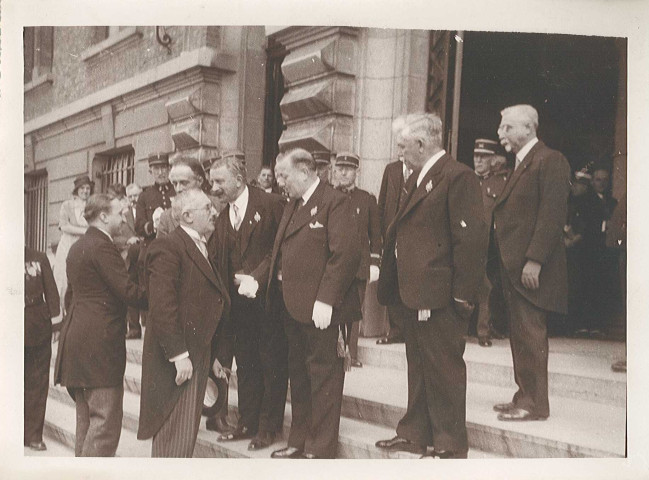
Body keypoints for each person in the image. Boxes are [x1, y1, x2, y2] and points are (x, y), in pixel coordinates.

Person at [375, 113, 487, 459]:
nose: (399, 152)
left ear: (422, 145)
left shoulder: (457, 176)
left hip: (441, 295)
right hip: (416, 292)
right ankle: (414, 434)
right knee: (419, 365)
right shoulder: (420, 176)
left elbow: (469, 242)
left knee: (443, 368)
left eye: (403, 146)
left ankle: (450, 443)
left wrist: (461, 296)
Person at [242, 148, 360, 459]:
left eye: (284, 175)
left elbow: (344, 256)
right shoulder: (292, 205)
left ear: (305, 172)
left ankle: (319, 449)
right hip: (292, 307)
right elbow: (278, 251)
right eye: (278, 175)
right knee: (300, 377)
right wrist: (257, 277)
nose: (280, 182)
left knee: (323, 380)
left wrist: (326, 299)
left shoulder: (336, 202)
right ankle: (299, 441)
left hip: (321, 311)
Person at [491, 104, 571, 422]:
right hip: (514, 268)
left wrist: (534, 260)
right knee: (520, 335)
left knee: (531, 335)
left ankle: (535, 404)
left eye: (507, 127)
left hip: (529, 268)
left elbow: (551, 216)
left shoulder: (550, 160)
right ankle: (523, 395)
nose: (501, 133)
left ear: (528, 128)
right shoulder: (523, 162)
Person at [138, 189, 230, 457]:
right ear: (187, 216)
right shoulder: (168, 246)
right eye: (207, 208)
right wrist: (179, 355)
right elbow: (163, 306)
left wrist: (210, 353)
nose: (214, 212)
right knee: (173, 443)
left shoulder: (200, 246)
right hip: (178, 362)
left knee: (184, 441)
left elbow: (203, 304)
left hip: (197, 355)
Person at [54, 194, 147, 456]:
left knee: (86, 424)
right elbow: (127, 291)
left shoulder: (78, 246)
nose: (123, 218)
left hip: (77, 342)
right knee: (104, 428)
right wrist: (161, 294)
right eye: (119, 213)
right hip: (99, 348)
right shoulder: (102, 247)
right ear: (104, 216)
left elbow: (72, 296)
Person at [208, 155, 288, 450]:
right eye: (213, 181)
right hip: (239, 309)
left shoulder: (270, 205)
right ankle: (247, 422)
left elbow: (280, 249)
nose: (214, 187)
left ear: (239, 180)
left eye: (219, 181)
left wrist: (257, 277)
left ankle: (269, 428)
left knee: (271, 364)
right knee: (247, 364)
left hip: (267, 302)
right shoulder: (221, 216)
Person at [331, 152, 382, 367]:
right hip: (332, 265)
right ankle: (334, 351)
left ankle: (351, 354)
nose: (343, 172)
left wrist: (374, 263)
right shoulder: (328, 196)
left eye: (348, 168)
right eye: (340, 168)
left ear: (356, 171)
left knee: (353, 310)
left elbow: (375, 235)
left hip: (358, 267)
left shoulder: (367, 199)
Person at [473, 139, 510, 347]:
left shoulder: (500, 183)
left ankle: (483, 332)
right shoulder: (465, 180)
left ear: (492, 160)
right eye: (476, 156)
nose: (478, 160)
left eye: (483, 157)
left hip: (489, 245)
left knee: (487, 286)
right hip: (466, 243)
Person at [24, 246, 60, 451]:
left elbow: (51, 291)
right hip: (9, 327)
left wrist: (56, 324)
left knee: (37, 382)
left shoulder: (38, 258)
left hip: (37, 326)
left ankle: (34, 435)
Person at [375, 153, 412, 345]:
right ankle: (396, 330)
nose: (402, 150)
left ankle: (411, 330)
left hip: (412, 235)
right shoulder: (391, 169)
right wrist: (383, 235)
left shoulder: (420, 168)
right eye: (400, 145)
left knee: (410, 281)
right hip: (391, 234)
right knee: (391, 280)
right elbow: (382, 203)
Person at [579, 167, 619, 337]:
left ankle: (598, 324)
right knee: (587, 285)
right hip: (589, 249)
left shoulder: (613, 203)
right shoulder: (584, 201)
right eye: (597, 180)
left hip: (606, 251)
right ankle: (584, 324)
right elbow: (584, 225)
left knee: (603, 287)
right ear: (592, 181)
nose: (601, 183)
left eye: (604, 180)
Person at [52, 174, 92, 318]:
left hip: (85, 245)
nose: (85, 191)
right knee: (64, 279)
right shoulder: (67, 205)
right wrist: (84, 231)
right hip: (68, 244)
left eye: (88, 188)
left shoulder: (91, 206)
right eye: (82, 188)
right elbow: (64, 226)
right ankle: (62, 313)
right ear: (76, 190)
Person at [156, 157, 211, 238]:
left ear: (200, 181)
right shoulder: (167, 218)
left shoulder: (219, 207)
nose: (178, 189)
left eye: (184, 183)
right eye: (175, 184)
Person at [135, 153, 176, 245]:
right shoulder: (144, 196)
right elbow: (138, 226)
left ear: (169, 169)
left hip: (176, 242)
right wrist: (153, 226)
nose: (160, 172)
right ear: (150, 171)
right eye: (156, 169)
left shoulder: (177, 191)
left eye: (163, 167)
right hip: (153, 243)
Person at [124, 183, 144, 339]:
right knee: (131, 290)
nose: (133, 199)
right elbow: (116, 234)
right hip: (129, 258)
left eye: (136, 195)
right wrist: (127, 240)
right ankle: (134, 328)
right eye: (130, 196)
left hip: (146, 254)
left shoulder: (146, 210)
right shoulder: (123, 214)